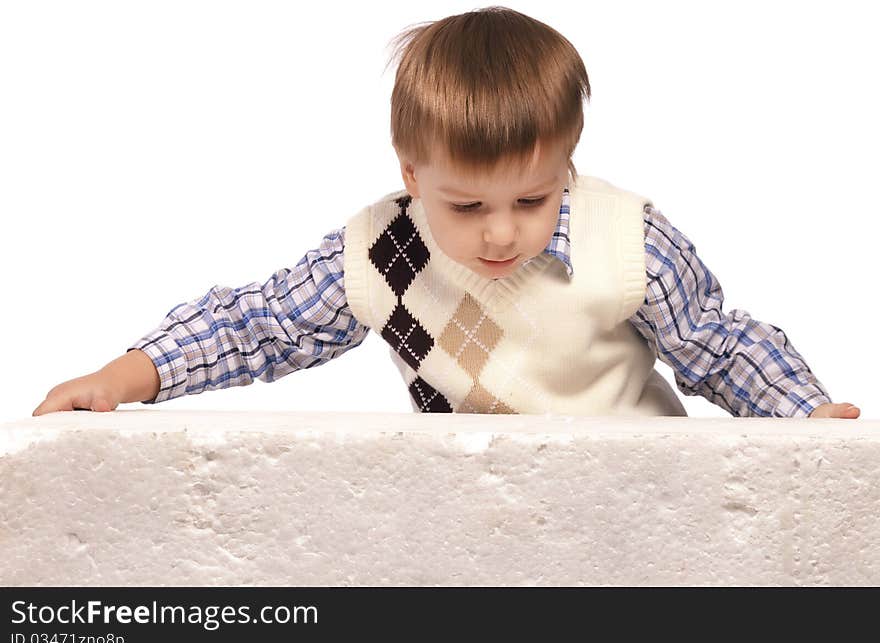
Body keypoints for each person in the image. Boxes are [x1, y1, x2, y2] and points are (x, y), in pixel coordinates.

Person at [32, 6, 859, 419]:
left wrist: (809, 416)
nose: (501, 232)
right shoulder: (379, 252)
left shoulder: (626, 240)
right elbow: (261, 324)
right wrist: (126, 377)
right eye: (466, 205)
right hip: (478, 518)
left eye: (533, 199)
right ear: (411, 173)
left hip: (637, 499)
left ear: (566, 162)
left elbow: (717, 344)